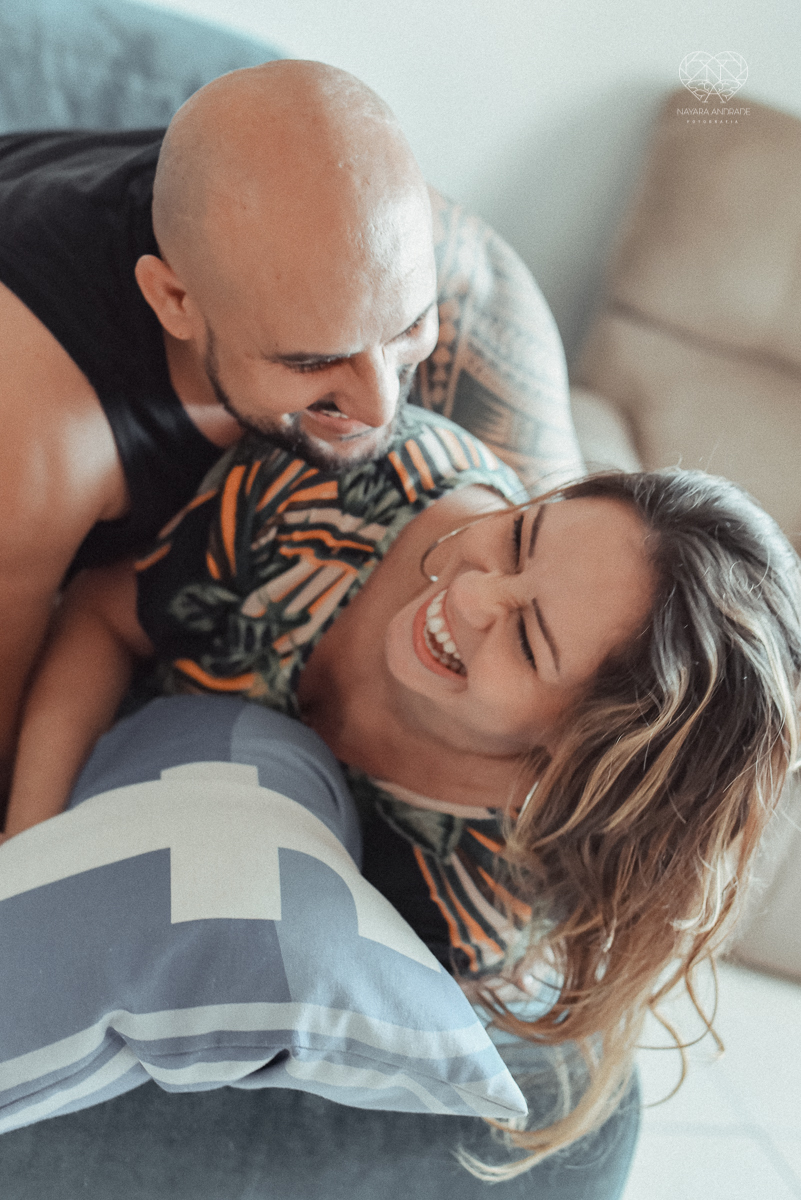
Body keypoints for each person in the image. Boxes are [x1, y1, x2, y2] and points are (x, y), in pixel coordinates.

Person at [5, 402, 801, 1179]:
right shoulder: (347, 479)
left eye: (527, 640)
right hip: (125, 727)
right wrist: (28, 854)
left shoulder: (479, 899)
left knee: (576, 1127)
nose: (473, 595)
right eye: (522, 537)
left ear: (570, 756)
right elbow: (107, 612)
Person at [0, 58, 582, 797]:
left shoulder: (429, 262)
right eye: (315, 360)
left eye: (407, 326)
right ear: (174, 299)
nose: (379, 409)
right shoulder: (34, 438)